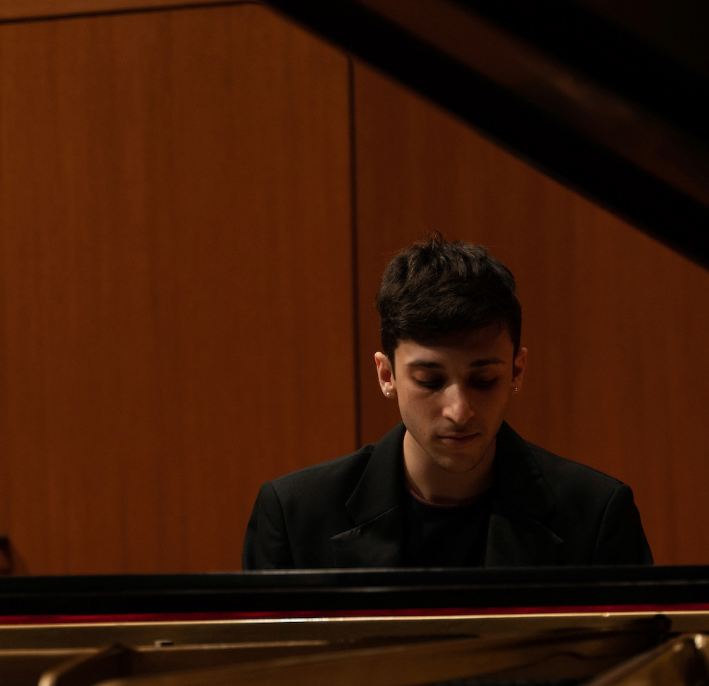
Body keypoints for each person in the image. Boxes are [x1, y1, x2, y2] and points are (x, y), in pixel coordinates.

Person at [242, 234, 652, 568]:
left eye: (484, 380)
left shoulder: (598, 515)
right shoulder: (294, 517)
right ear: (387, 376)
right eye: (430, 381)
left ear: (517, 371)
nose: (459, 411)